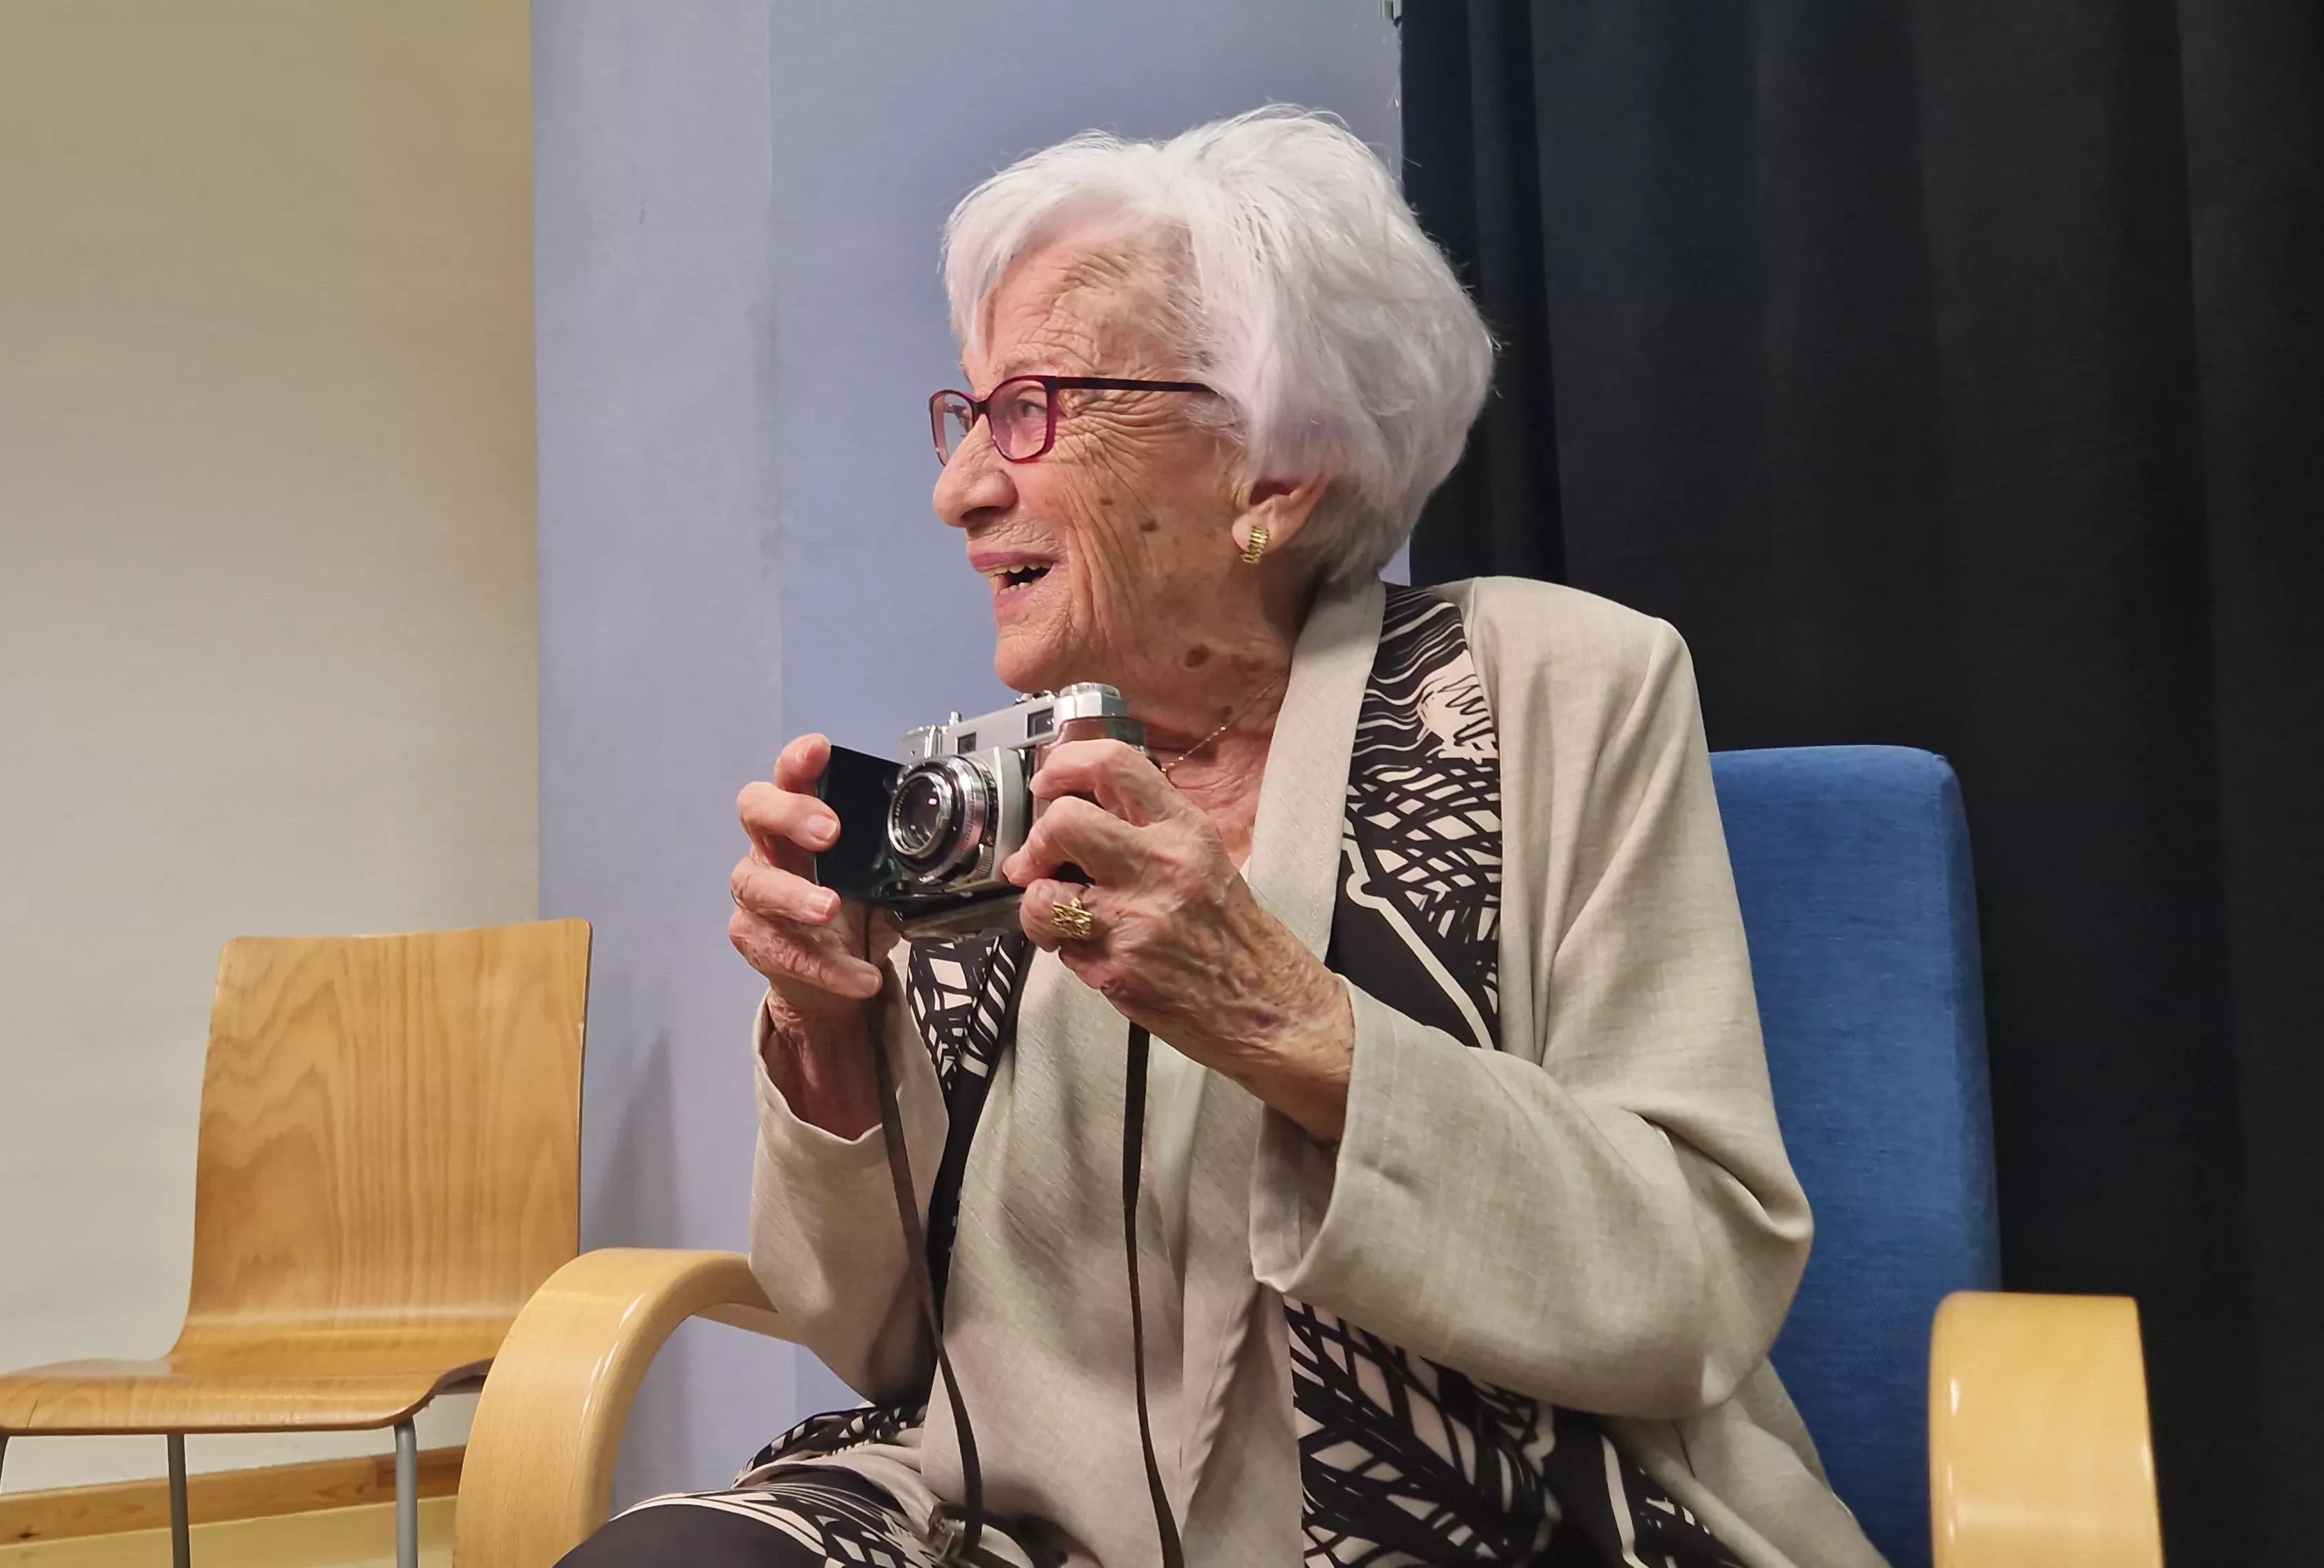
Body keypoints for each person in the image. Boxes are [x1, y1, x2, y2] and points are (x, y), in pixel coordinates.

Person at [562, 107, 1887, 1568]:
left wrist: (1288, 1022)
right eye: (966, 416)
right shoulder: (987, 798)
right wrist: (824, 1050)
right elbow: (876, 1342)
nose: (958, 489)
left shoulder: (1549, 690)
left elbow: (1695, 1272)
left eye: (1030, 412)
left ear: (1271, 473)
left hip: (1496, 1517)